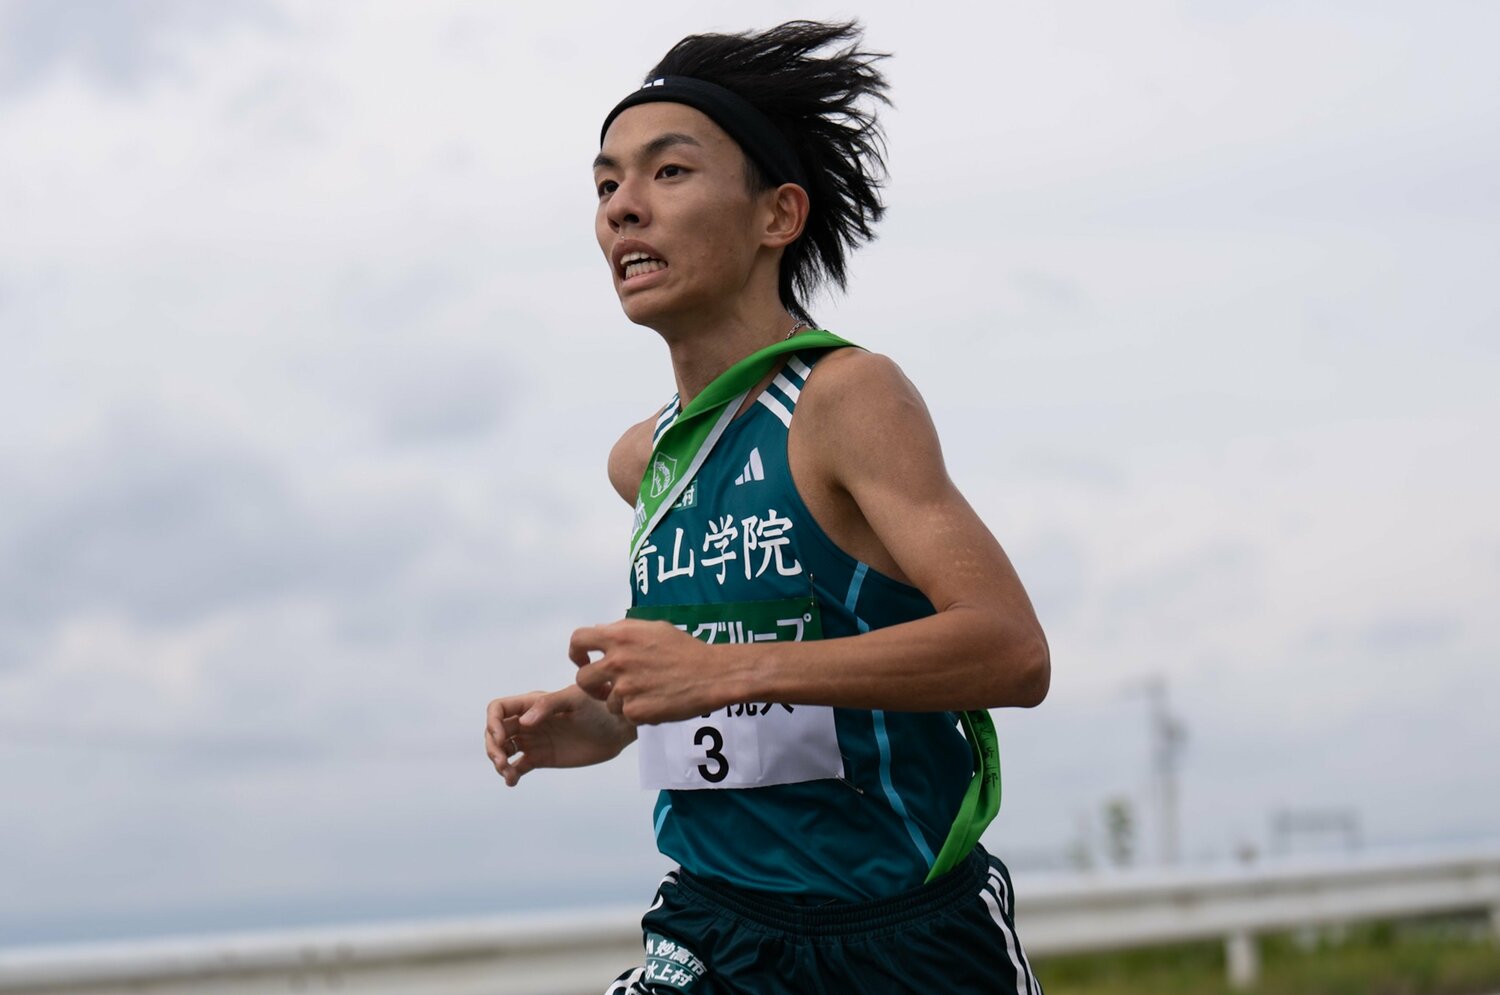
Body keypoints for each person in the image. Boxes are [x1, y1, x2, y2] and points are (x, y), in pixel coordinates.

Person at [485, 20, 1050, 995]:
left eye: (668, 173)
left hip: (901, 936)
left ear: (775, 215)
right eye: (606, 183)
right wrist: (592, 715)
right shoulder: (644, 459)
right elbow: (709, 681)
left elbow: (1010, 648)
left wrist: (718, 670)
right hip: (717, 925)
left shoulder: (846, 399)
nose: (624, 208)